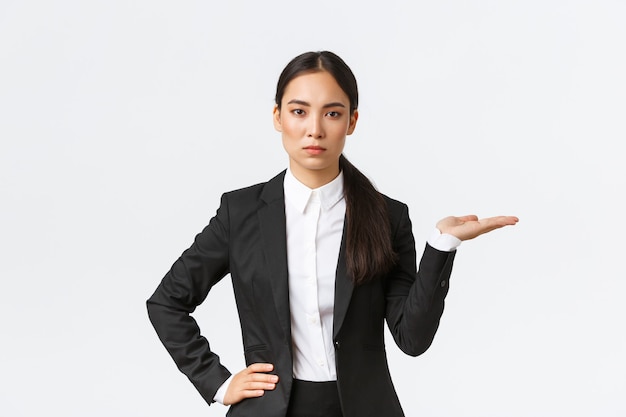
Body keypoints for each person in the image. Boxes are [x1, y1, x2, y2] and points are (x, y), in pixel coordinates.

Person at [146, 50, 518, 417]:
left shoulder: (387, 216)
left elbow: (412, 338)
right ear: (278, 117)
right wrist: (218, 383)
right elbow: (166, 302)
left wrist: (442, 245)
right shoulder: (240, 213)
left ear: (352, 121)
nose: (315, 129)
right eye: (299, 111)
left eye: (333, 113)